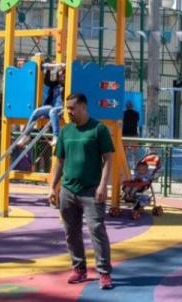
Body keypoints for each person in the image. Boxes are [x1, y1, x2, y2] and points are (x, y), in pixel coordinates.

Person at [49, 93, 115, 290]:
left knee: (96, 229)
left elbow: (108, 159)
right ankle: (79, 268)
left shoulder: (98, 129)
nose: (68, 112)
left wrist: (103, 185)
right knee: (71, 231)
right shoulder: (66, 131)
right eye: (67, 108)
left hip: (91, 190)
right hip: (68, 190)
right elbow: (59, 161)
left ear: (83, 108)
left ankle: (104, 272)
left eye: (72, 108)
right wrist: (53, 186)